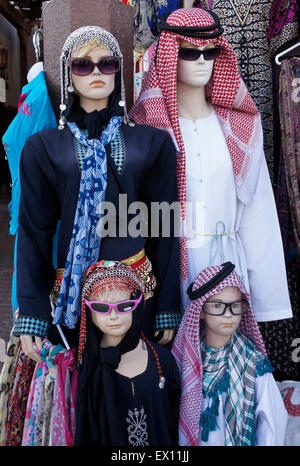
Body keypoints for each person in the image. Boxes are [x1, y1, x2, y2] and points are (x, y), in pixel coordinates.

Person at [14, 26, 182, 363]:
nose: (95, 72)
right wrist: (31, 311)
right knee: (82, 387)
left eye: (106, 64)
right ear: (68, 73)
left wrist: (167, 305)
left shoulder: (153, 143)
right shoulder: (43, 148)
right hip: (72, 298)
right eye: (82, 65)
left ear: (118, 72)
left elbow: (165, 229)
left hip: (137, 297)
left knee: (135, 386)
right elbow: (34, 231)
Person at [130, 8, 292, 322]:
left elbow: (257, 216)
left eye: (211, 51)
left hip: (229, 268)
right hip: (171, 268)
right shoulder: (148, 128)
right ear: (170, 55)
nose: (203, 61)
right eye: (190, 52)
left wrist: (266, 300)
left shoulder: (241, 125)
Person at [172, 261, 288, 446]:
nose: (228, 314)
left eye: (235, 306)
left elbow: (272, 424)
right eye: (217, 306)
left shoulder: (254, 362)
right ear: (201, 310)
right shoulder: (185, 360)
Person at [75, 260, 181, 446]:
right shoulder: (86, 368)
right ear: (89, 310)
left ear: (138, 306)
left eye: (124, 306)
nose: (113, 315)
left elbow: (172, 422)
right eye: (101, 307)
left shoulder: (162, 360)